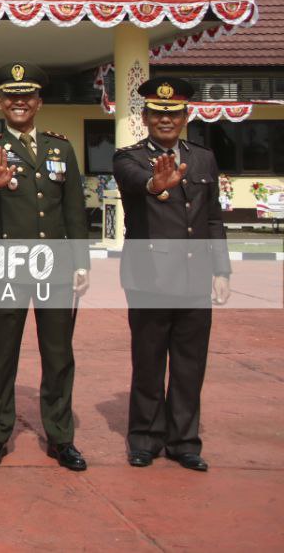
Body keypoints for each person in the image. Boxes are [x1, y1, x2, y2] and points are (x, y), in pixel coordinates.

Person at [0, 62, 90, 471]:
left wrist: (81, 262)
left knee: (58, 354)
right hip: (8, 266)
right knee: (2, 353)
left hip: (55, 267)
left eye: (27, 97)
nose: (19, 103)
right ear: (1, 103)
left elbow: (75, 208)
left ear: (38, 102)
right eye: (11, 97)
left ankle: (61, 437)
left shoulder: (62, 148)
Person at [113, 77, 231, 472]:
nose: (166, 120)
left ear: (185, 116)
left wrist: (221, 268)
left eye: (174, 114)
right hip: (149, 274)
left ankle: (184, 441)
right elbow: (134, 182)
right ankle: (144, 439)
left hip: (196, 273)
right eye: (158, 114)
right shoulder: (127, 157)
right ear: (145, 117)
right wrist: (153, 183)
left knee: (189, 363)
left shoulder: (203, 159)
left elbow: (213, 218)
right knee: (148, 360)